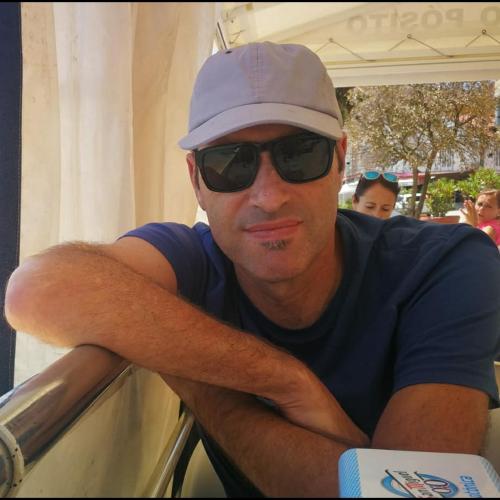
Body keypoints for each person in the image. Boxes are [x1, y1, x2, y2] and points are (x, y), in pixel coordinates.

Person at [4, 42, 500, 497]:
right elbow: (37, 290)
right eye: (230, 164)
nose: (269, 196)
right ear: (197, 182)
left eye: (299, 155)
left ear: (339, 160)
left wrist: (202, 384)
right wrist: (284, 381)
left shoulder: (444, 264)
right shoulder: (193, 260)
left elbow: (410, 491)